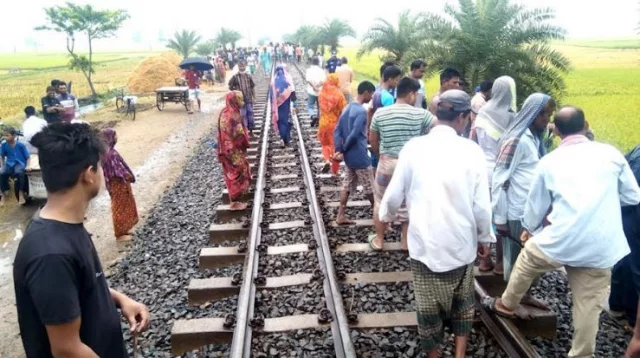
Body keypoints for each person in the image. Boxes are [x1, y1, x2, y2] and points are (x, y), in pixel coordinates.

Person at [485, 106, 640, 358]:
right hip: (601, 247)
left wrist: (529, 229)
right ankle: (581, 354)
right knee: (588, 306)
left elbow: (535, 208)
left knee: (528, 258)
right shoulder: (610, 154)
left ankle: (506, 304)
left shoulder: (549, 161)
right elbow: (633, 195)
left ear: (555, 130)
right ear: (586, 125)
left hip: (561, 240)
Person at [13, 123, 150, 358]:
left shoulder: (67, 227)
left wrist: (120, 299)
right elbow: (67, 349)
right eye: (99, 166)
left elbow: (83, 284)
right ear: (88, 175)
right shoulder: (50, 255)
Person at [379, 90, 494, 358]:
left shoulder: (413, 148)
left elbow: (393, 195)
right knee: (463, 305)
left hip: (424, 247)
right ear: (464, 117)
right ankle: (459, 355)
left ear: (436, 115)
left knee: (428, 313)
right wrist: (485, 238)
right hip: (461, 246)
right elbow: (481, 206)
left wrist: (386, 216)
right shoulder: (471, 151)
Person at [491, 93, 556, 309]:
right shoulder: (516, 140)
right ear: (533, 115)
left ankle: (523, 296)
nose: (547, 119)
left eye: (549, 114)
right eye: (544, 114)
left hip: (533, 211)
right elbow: (500, 179)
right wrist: (499, 218)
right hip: (517, 210)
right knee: (517, 261)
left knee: (531, 259)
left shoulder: (533, 139)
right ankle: (512, 302)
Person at [369, 77, 436, 251]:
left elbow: (373, 140)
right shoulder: (421, 114)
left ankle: (379, 239)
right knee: (408, 202)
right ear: (412, 94)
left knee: (380, 201)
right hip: (411, 166)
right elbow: (437, 128)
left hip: (387, 163)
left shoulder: (380, 113)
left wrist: (381, 156)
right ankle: (405, 242)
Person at [471, 76, 517, 274]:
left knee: (483, 213)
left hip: (482, 167)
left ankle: (484, 260)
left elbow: (473, 138)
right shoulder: (511, 116)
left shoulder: (482, 112)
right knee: (500, 216)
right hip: (502, 170)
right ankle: (500, 264)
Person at [334, 81, 376, 224]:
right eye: (371, 94)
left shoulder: (347, 107)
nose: (371, 97)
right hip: (359, 154)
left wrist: (339, 150)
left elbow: (337, 130)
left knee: (347, 184)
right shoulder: (361, 111)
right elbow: (354, 134)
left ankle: (340, 215)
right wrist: (344, 148)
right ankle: (380, 219)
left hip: (349, 156)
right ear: (365, 93)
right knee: (370, 187)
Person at [609, 144, 640, 328]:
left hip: (628, 212)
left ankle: (617, 305)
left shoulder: (637, 149)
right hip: (634, 213)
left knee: (624, 258)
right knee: (634, 265)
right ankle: (633, 317)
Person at [101, 129, 139, 242]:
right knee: (119, 207)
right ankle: (120, 234)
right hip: (117, 184)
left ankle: (125, 229)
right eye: (115, 135)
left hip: (119, 183)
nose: (117, 137)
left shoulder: (109, 152)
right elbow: (117, 172)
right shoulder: (110, 155)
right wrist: (127, 176)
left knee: (124, 205)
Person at [218, 91, 252, 210]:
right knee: (238, 172)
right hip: (234, 150)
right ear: (234, 100)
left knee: (230, 173)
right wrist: (245, 144)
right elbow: (240, 135)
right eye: (239, 99)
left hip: (225, 149)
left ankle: (234, 200)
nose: (241, 102)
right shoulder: (234, 115)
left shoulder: (224, 112)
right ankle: (235, 202)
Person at [367, 65, 402, 170]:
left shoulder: (377, 93)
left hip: (375, 131)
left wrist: (368, 128)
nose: (397, 83)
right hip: (383, 136)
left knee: (374, 162)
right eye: (397, 79)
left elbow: (370, 111)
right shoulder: (389, 97)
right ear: (390, 79)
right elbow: (389, 118)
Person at [318, 74, 347, 175]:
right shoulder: (339, 94)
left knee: (325, 144)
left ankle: (326, 161)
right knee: (335, 146)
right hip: (335, 123)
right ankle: (335, 171)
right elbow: (344, 111)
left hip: (323, 123)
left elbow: (320, 108)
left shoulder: (321, 93)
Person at [0, 127, 30, 206]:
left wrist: (28, 166)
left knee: (19, 172)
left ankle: (20, 193)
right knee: (1, 173)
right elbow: (2, 156)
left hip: (19, 163)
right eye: (4, 135)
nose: (5, 137)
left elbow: (28, 157)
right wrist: (2, 166)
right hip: (9, 163)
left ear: (14, 136)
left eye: (7, 135)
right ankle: (3, 194)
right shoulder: (4, 145)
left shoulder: (20, 145)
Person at [271, 65, 297, 147]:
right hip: (286, 104)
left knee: (279, 121)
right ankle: (286, 139)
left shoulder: (274, 80)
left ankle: (282, 138)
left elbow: (271, 95)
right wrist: (294, 103)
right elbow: (292, 90)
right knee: (285, 121)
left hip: (277, 105)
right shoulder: (287, 79)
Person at [228, 60, 256, 134]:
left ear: (245, 66)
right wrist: (236, 93)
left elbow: (252, 87)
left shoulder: (248, 76)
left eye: (243, 66)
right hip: (240, 101)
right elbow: (230, 86)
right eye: (240, 66)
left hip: (249, 98)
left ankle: (251, 130)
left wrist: (254, 97)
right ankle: (245, 130)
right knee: (243, 115)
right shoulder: (235, 76)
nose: (242, 67)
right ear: (238, 67)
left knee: (250, 113)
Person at [305, 57, 326, 127]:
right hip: (320, 91)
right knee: (319, 107)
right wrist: (317, 86)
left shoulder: (309, 70)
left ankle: (312, 116)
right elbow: (323, 81)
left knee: (310, 106)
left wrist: (314, 87)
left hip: (311, 91)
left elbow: (308, 80)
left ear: (312, 62)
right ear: (318, 63)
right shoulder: (321, 71)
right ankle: (318, 120)